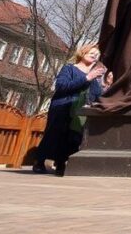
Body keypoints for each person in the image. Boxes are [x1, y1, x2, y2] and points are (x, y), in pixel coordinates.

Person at [33, 44, 105, 176]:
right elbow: (61, 86)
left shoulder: (95, 76)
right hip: (63, 107)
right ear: (82, 53)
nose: (95, 55)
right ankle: (40, 161)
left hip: (80, 111)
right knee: (54, 134)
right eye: (91, 52)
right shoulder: (70, 69)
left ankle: (61, 163)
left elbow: (97, 95)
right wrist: (87, 78)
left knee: (73, 137)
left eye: (97, 54)